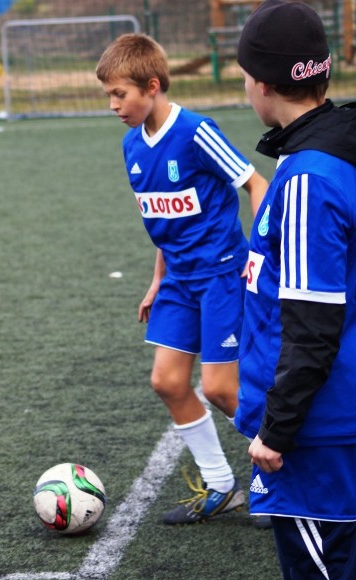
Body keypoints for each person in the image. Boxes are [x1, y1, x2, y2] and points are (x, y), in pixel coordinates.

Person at [95, 34, 268, 525]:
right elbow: (163, 225)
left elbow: (256, 184)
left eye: (119, 94)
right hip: (178, 282)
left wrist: (257, 254)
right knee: (168, 382)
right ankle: (221, 485)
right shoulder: (132, 146)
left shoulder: (195, 132)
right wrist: (156, 281)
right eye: (108, 95)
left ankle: (280, 474)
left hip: (220, 277)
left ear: (151, 86)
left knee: (220, 388)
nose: (113, 105)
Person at [235, 1, 356, 580]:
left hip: (315, 423)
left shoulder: (310, 175)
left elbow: (314, 326)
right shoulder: (319, 152)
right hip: (325, 409)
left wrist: (277, 431)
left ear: (261, 82)